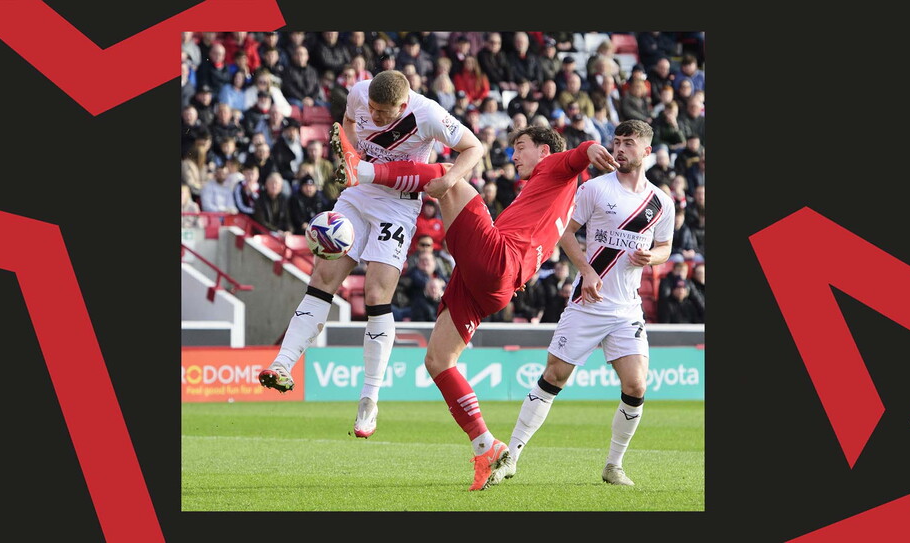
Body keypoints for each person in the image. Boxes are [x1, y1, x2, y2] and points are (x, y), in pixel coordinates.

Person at [330, 122, 619, 490]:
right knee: (438, 361)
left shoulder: (554, 165)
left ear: (544, 151)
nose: (514, 156)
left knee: (448, 176)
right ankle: (485, 446)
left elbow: (577, 154)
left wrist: (591, 148)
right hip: (496, 282)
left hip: (498, 260)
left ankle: (364, 169)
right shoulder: (552, 191)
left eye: (522, 146)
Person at [258, 70, 484, 443]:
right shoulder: (359, 93)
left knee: (377, 295)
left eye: (384, 113)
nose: (375, 117)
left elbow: (474, 147)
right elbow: (348, 122)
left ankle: (370, 397)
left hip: (398, 206)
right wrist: (349, 153)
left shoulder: (428, 114)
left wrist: (448, 179)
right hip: (358, 194)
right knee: (322, 280)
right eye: (372, 110)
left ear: (403, 103)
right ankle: (283, 364)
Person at [492, 120, 675, 488]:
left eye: (629, 143)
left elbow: (666, 247)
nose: (620, 149)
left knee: (637, 385)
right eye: (617, 141)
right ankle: (510, 456)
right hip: (587, 302)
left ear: (646, 152)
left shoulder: (661, 203)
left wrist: (652, 257)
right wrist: (588, 271)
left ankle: (613, 465)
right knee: (555, 376)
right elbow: (564, 231)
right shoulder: (594, 188)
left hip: (626, 309)